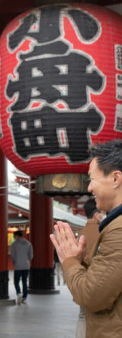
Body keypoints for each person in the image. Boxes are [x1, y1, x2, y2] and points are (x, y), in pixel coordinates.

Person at [50, 139, 122, 338]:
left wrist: (70, 260)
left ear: (116, 179)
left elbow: (92, 296)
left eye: (92, 178)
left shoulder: (119, 230)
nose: (89, 188)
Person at [75, 198, 104, 338]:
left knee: (82, 315)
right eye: (103, 212)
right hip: (100, 279)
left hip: (83, 279)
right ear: (97, 214)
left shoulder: (81, 232)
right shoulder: (104, 231)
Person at [10, 230, 33, 305]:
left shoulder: (14, 244)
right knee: (24, 282)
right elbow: (31, 256)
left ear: (17, 236)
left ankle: (19, 293)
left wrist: (14, 263)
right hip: (26, 265)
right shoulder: (28, 243)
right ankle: (24, 298)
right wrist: (27, 261)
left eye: (14, 236)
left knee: (16, 281)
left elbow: (13, 256)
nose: (14, 238)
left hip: (18, 265)